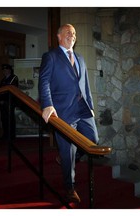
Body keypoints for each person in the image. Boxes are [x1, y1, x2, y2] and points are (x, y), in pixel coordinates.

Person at [38, 24, 99, 204]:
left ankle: (67, 158)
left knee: (93, 139)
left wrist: (91, 106)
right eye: (67, 32)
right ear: (59, 36)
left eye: (74, 33)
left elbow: (85, 85)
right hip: (63, 111)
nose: (71, 35)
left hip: (82, 109)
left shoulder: (80, 58)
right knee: (68, 150)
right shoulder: (51, 57)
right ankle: (70, 187)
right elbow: (44, 82)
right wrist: (47, 105)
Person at [0, 64, 19, 140]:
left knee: (10, 119)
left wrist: (4, 100)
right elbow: (0, 91)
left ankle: (11, 136)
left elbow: (10, 89)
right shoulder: (3, 80)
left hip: (9, 102)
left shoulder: (14, 78)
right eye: (3, 70)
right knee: (4, 119)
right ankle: (5, 135)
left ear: (9, 70)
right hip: (2, 103)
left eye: (6, 70)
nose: (4, 71)